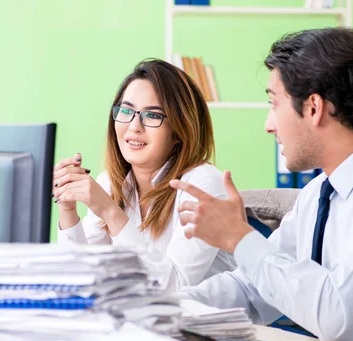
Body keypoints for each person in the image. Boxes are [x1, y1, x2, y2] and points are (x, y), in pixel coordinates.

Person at [170, 27, 353, 341]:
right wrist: (160, 307)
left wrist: (240, 238)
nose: (268, 124)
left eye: (274, 104)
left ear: (314, 107)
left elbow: (337, 312)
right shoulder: (316, 193)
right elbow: (253, 289)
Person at [53, 59, 236, 292]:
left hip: (204, 323)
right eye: (126, 111)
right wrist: (67, 209)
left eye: (152, 115)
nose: (134, 126)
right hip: (141, 321)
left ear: (180, 130)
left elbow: (174, 288)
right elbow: (81, 279)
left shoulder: (204, 184)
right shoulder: (110, 182)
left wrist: (111, 212)